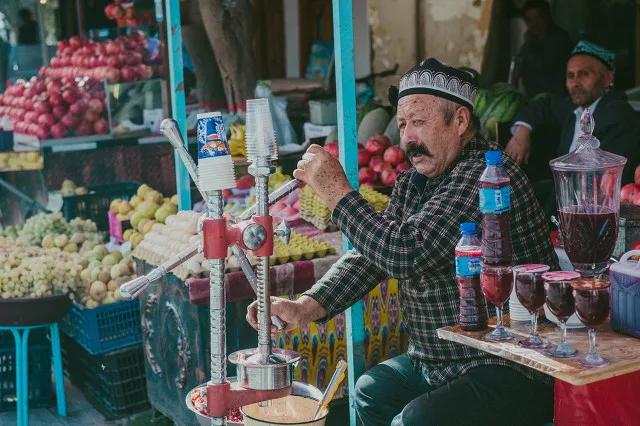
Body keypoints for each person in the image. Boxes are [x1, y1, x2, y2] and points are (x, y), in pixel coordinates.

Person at [246, 58, 559, 425]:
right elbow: (372, 255)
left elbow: (404, 252)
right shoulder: (414, 182)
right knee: (369, 392)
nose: (408, 138)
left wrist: (337, 193)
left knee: (415, 421)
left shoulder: (486, 175)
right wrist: (306, 306)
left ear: (460, 121)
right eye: (403, 125)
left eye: (419, 123)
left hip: (505, 362)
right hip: (438, 359)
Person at [506, 40, 640, 214]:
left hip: (591, 208)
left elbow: (598, 183)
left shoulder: (617, 114)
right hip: (564, 199)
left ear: (608, 78)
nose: (575, 82)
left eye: (584, 74)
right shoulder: (572, 107)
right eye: (571, 76)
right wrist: (522, 132)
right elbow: (543, 104)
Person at [514, 0, 573, 98]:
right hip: (535, 101)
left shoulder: (560, 39)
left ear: (548, 17)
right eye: (530, 20)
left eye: (539, 18)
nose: (535, 24)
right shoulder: (531, 41)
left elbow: (546, 68)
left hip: (556, 101)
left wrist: (529, 46)